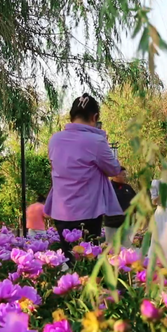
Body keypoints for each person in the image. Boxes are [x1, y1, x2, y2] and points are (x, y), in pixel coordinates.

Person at [44, 93, 123, 260]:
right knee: (87, 263)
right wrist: (103, 140)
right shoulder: (96, 141)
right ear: (94, 117)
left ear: (71, 117)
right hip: (88, 213)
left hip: (61, 212)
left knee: (69, 259)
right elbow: (114, 170)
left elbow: (54, 166)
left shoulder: (54, 140)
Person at [104, 167, 137, 247]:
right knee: (112, 249)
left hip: (126, 225)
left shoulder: (128, 188)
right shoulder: (108, 187)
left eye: (125, 174)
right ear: (116, 175)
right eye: (123, 175)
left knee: (127, 249)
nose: (125, 176)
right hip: (112, 224)